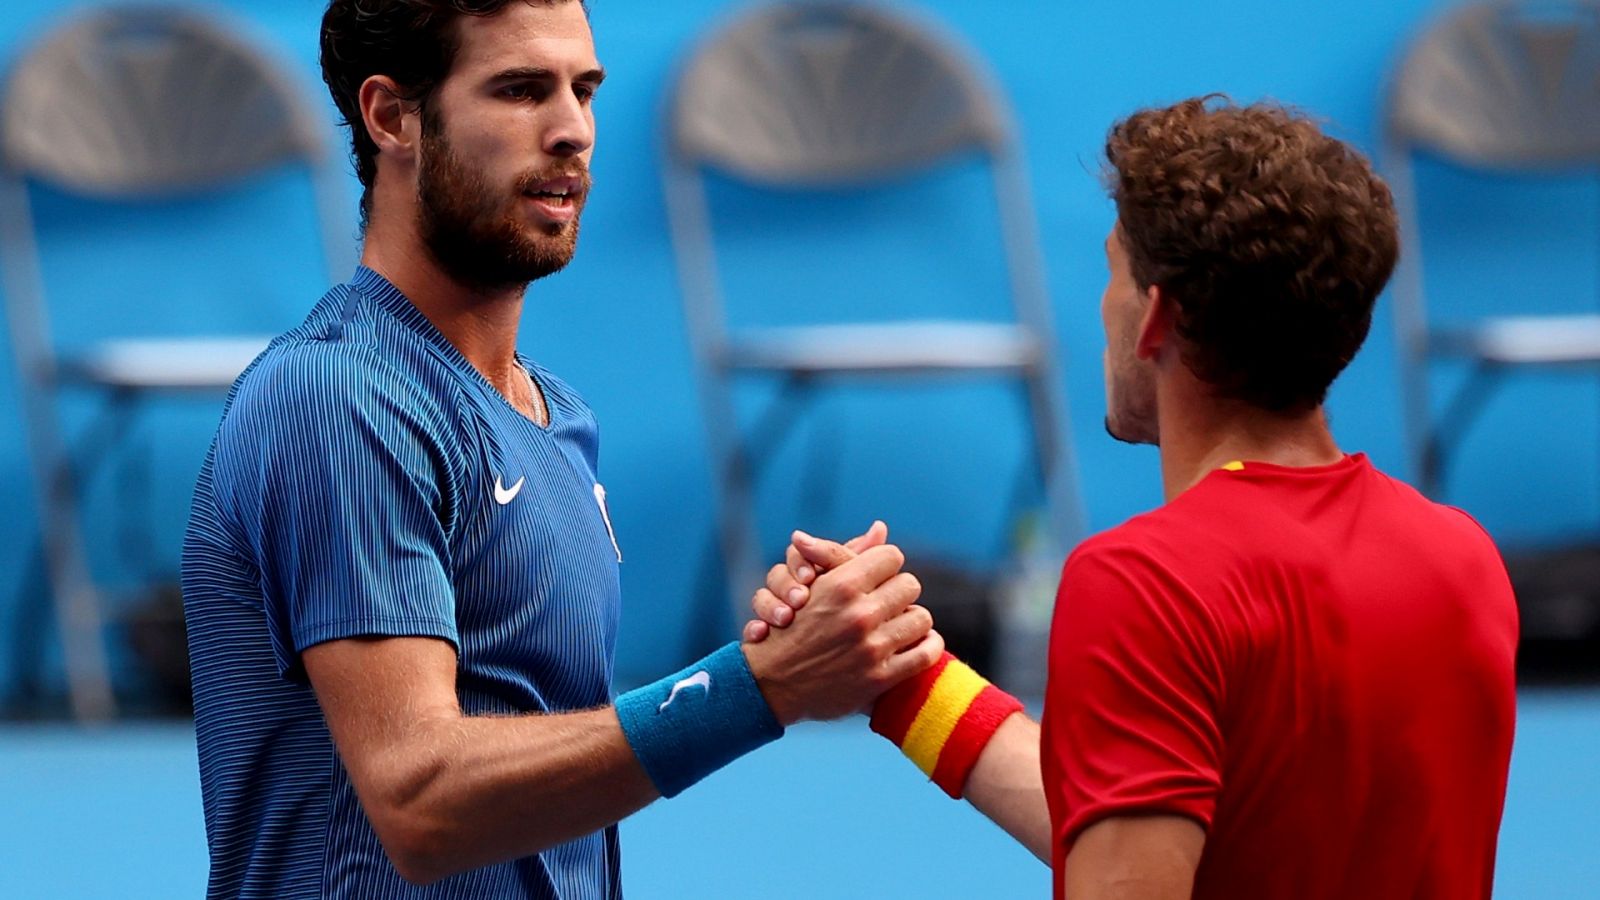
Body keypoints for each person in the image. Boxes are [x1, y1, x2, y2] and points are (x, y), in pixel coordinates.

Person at [179, 1, 944, 897]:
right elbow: (420, 799)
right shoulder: (338, 400)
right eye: (518, 90)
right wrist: (762, 688)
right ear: (391, 117)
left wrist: (790, 654)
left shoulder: (557, 416)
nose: (572, 130)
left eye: (584, 92)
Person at [750, 96, 1519, 899]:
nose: (1103, 305)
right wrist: (906, 680)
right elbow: (1175, 826)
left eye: (1114, 273)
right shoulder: (1461, 558)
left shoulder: (1146, 583)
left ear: (1156, 319)